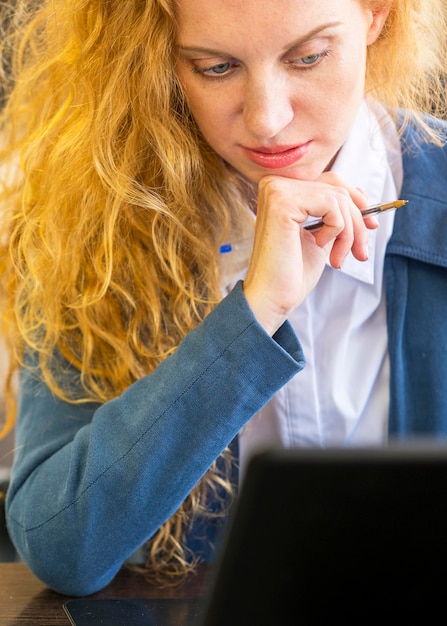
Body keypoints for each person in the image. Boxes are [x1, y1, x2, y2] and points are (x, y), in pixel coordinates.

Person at [0, 0, 446, 597]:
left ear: (377, 15)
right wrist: (254, 314)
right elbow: (62, 546)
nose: (266, 118)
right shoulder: (92, 229)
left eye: (309, 57)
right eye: (215, 67)